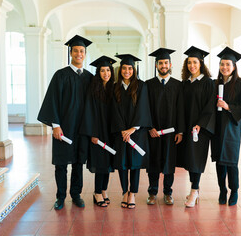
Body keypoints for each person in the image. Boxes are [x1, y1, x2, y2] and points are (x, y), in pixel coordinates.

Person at [37, 35, 93, 210]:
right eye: (75, 50)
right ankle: (60, 196)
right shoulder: (60, 75)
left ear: (85, 54)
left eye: (81, 51)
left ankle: (76, 195)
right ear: (70, 52)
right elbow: (52, 100)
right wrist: (55, 125)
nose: (78, 53)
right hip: (64, 127)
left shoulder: (90, 78)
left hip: (82, 128)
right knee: (61, 164)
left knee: (78, 163)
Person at [211, 46, 241, 206]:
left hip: (232, 129)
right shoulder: (216, 84)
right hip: (218, 127)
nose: (224, 67)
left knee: (231, 162)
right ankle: (222, 190)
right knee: (220, 161)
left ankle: (234, 191)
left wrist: (228, 107)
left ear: (234, 67)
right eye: (222, 64)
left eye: (228, 64)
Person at [111, 54, 152, 209]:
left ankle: (132, 193)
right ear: (120, 69)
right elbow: (113, 111)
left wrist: (132, 129)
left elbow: (143, 108)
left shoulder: (141, 86)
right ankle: (124, 192)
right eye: (124, 68)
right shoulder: (115, 87)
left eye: (130, 68)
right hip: (121, 133)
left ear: (134, 70)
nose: (127, 71)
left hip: (137, 132)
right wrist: (122, 130)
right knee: (122, 164)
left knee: (134, 164)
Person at [177, 46, 216, 207]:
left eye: (195, 62)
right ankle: (195, 189)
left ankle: (194, 190)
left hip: (200, 128)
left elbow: (210, 106)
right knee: (189, 158)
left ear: (201, 63)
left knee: (196, 159)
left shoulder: (208, 83)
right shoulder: (185, 84)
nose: (192, 65)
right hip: (187, 127)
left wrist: (200, 124)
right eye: (189, 63)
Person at [146, 48, 185, 205]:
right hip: (154, 131)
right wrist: (149, 127)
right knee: (153, 162)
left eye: (166, 63)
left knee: (169, 162)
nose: (163, 65)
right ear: (156, 65)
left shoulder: (178, 85)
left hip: (171, 132)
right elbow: (145, 108)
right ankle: (152, 192)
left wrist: (180, 131)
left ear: (170, 64)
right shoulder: (149, 85)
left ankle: (168, 192)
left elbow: (181, 109)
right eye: (160, 63)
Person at [79, 56, 116, 207]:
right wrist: (93, 133)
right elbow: (88, 112)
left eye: (108, 70)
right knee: (100, 163)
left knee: (107, 163)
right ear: (98, 72)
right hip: (98, 133)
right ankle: (97, 192)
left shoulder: (114, 89)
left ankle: (104, 190)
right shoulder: (93, 89)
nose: (105, 73)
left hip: (111, 132)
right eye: (102, 70)